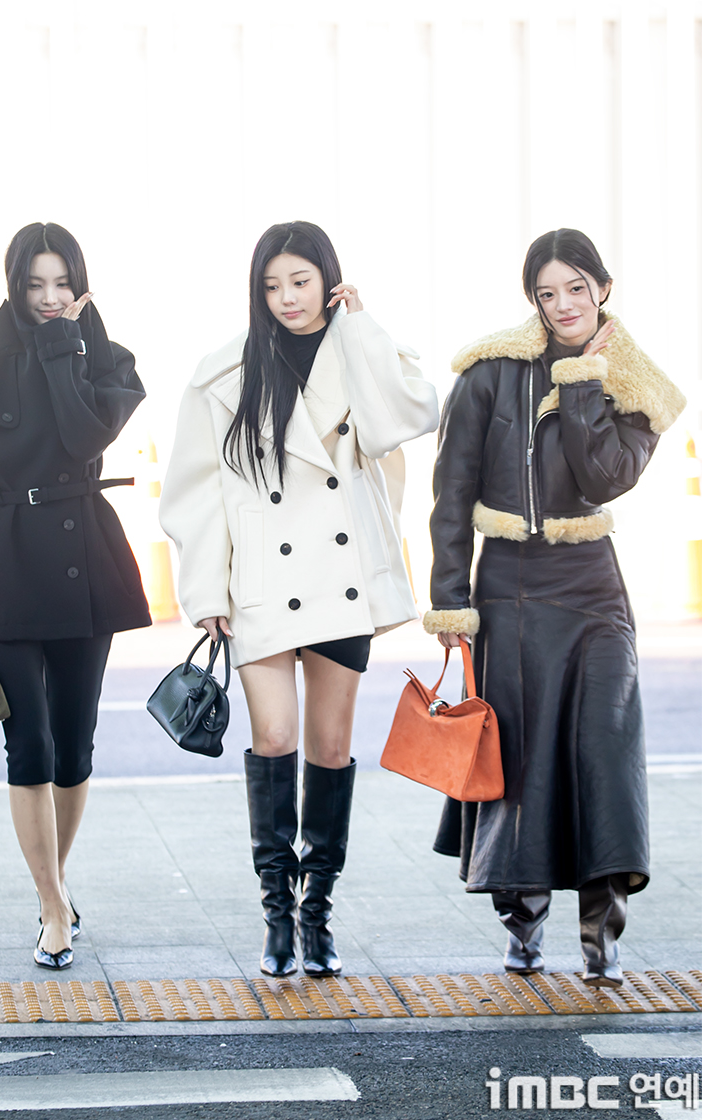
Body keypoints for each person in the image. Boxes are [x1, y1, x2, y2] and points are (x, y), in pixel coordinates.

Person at [160, 220, 439, 977]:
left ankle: (317, 916)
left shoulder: (361, 352)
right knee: (275, 736)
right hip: (259, 583)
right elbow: (195, 492)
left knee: (331, 749)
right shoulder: (223, 374)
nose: (287, 297)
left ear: (329, 281)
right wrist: (206, 587)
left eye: (301, 281)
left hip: (340, 585)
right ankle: (276, 915)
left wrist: (363, 327)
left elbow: (411, 415)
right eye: (272, 285)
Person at [426, 228, 686, 986]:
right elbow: (451, 494)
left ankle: (602, 931)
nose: (563, 304)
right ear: (532, 300)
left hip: (593, 587)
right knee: (519, 755)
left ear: (602, 288)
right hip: (508, 581)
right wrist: (450, 603)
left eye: (576, 287)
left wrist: (581, 381)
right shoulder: (488, 372)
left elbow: (604, 477)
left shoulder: (637, 383)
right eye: (547, 293)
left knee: (605, 750)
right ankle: (524, 922)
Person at [0, 222, 151, 971]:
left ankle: (56, 880)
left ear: (82, 286)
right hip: (5, 571)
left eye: (62, 284)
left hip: (85, 564)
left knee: (75, 747)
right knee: (30, 745)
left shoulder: (109, 362)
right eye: (35, 285)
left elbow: (84, 439)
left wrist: (60, 349)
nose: (49, 298)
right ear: (14, 286)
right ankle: (52, 905)